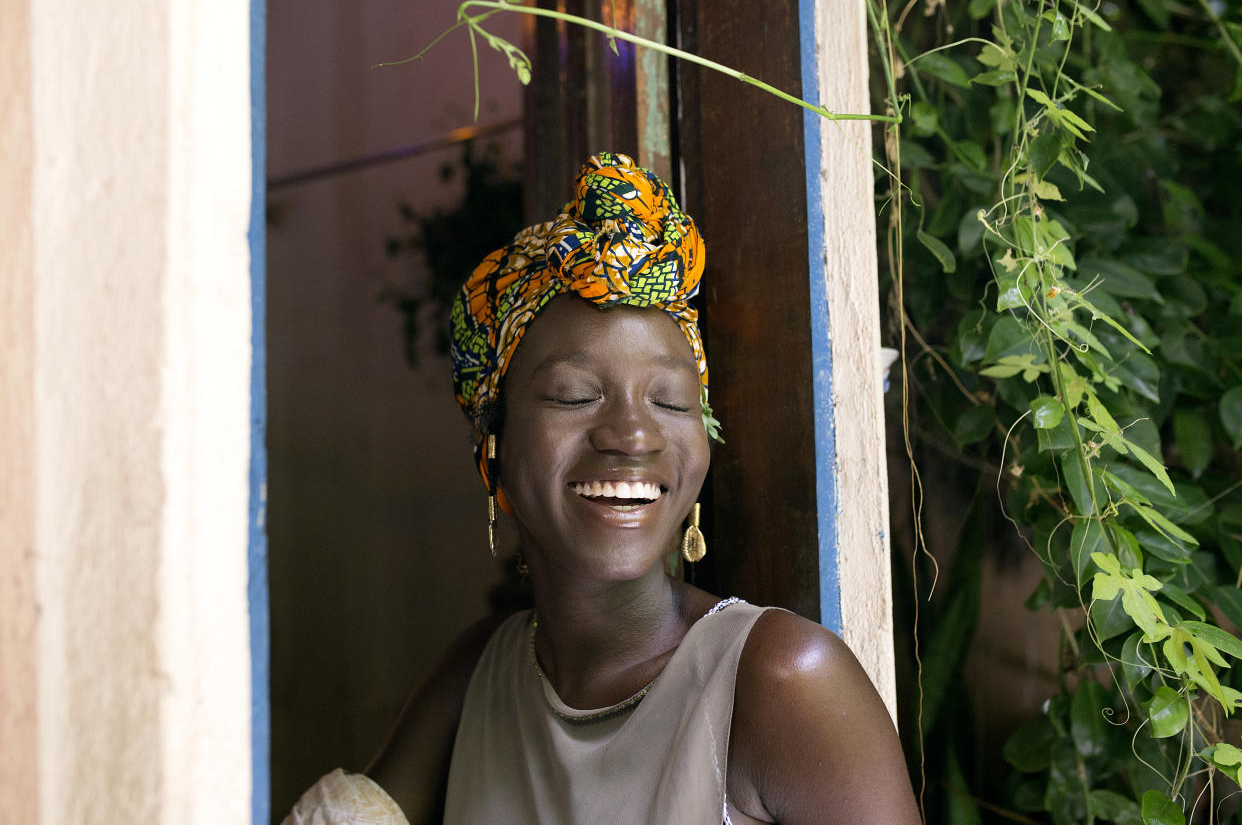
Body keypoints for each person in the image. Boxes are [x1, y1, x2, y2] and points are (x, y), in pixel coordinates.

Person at [284, 152, 920, 824]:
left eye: (672, 403)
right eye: (575, 395)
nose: (633, 435)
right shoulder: (474, 677)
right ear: (493, 448)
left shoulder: (781, 683)